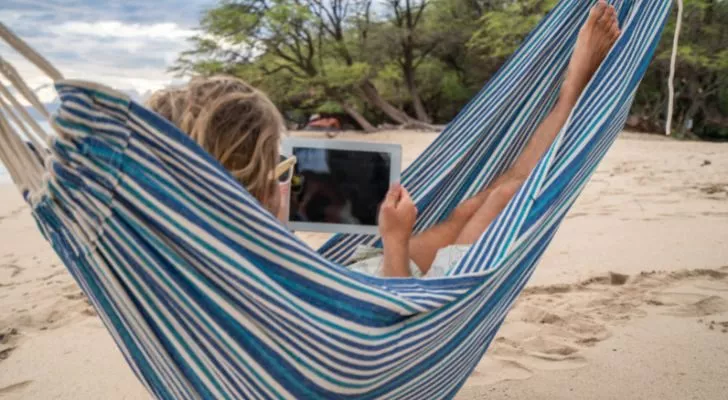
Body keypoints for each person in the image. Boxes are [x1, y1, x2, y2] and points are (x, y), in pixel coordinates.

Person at [147, 0, 620, 278]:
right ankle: (573, 87)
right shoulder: (245, 261)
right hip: (404, 290)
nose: (286, 174)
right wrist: (394, 240)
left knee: (472, 207)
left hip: (361, 272)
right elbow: (382, 329)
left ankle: (571, 89)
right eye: (275, 166)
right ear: (245, 183)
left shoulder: (219, 244)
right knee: (506, 197)